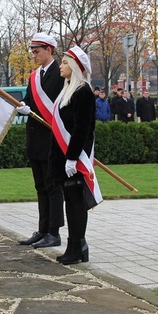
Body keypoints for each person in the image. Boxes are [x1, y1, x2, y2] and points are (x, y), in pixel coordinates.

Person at [49, 46, 100, 265]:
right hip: (64, 156)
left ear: (75, 66)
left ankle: (78, 245)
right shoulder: (68, 90)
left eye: (65, 62)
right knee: (70, 202)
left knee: (77, 203)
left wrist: (72, 157)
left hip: (75, 158)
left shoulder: (83, 92)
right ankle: (75, 245)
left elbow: (82, 129)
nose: (61, 66)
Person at [16, 32, 65, 248]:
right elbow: (29, 100)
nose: (34, 55)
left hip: (53, 140)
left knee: (53, 187)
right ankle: (43, 229)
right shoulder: (34, 77)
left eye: (37, 52)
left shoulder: (61, 74)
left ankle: (54, 232)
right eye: (32, 52)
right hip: (35, 139)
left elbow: (61, 105)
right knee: (40, 187)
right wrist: (23, 106)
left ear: (49, 50)